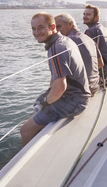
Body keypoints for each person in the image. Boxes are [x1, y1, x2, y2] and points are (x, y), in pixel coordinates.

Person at [20, 12, 90, 146]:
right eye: (33, 29)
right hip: (79, 96)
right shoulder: (64, 40)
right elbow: (57, 80)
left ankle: (28, 160)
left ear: (52, 28)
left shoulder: (56, 49)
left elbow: (60, 87)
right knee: (40, 102)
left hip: (74, 101)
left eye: (41, 27)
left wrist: (45, 102)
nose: (36, 32)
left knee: (25, 130)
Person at [55, 13, 100, 96]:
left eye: (59, 27)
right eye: (55, 28)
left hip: (83, 91)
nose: (56, 31)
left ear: (70, 24)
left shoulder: (67, 42)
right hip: (95, 86)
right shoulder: (88, 38)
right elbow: (100, 63)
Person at [83, 4, 107, 86]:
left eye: (88, 14)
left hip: (105, 77)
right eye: (84, 14)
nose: (85, 17)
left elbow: (87, 56)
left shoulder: (91, 31)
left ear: (96, 17)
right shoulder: (103, 28)